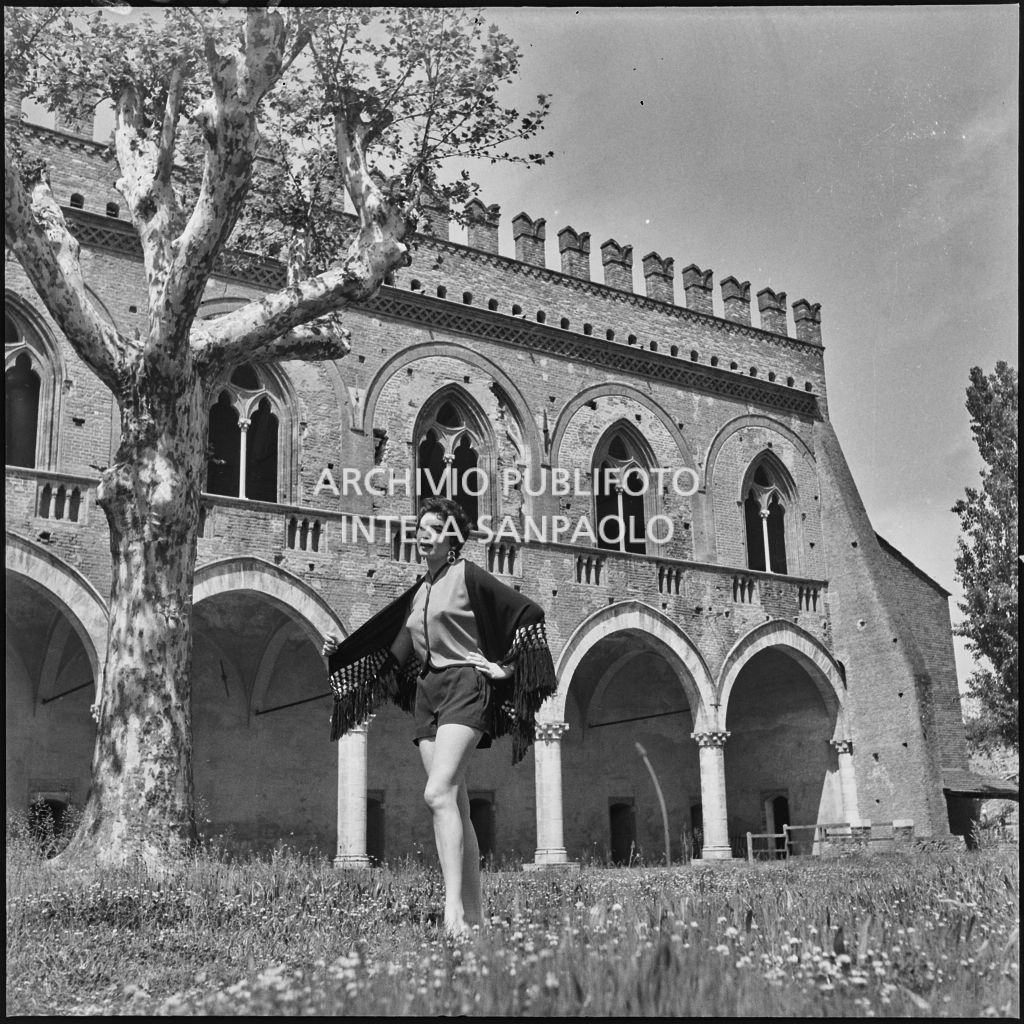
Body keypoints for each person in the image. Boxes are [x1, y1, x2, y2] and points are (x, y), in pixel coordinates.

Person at [321, 496, 557, 938]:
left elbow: (527, 613)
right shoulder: (420, 593)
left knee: (437, 794)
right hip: (428, 695)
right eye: (418, 528)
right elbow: (392, 656)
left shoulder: (467, 575)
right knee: (456, 804)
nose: (420, 534)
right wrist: (340, 654)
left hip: (466, 687)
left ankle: (451, 911)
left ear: (451, 536)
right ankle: (474, 915)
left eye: (430, 528)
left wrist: (503, 667)